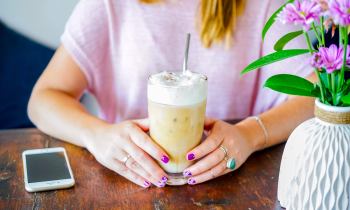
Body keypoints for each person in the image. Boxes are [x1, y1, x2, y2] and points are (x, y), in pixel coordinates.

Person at [28, 0, 317, 188]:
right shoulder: (109, 5)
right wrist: (97, 134)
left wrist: (250, 135)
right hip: (128, 185)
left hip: (232, 185)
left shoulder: (263, 6)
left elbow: (319, 96)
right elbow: (43, 98)